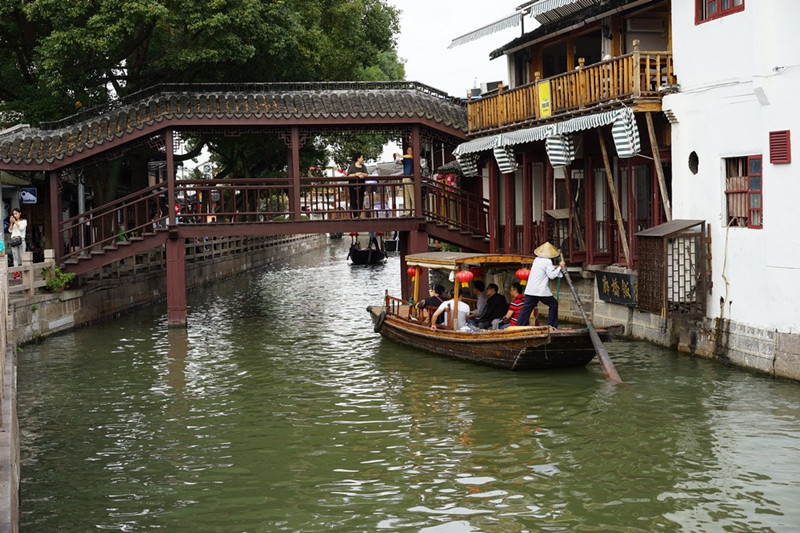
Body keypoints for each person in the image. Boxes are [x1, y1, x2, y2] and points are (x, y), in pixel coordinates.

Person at [516, 241, 566, 329]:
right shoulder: (547, 261)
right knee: (553, 304)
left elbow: (546, 269)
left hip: (531, 289)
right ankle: (552, 326)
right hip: (540, 290)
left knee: (526, 309)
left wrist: (557, 267)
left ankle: (519, 326)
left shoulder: (537, 260)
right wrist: (560, 267)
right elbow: (552, 275)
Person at [347, 153, 369, 218]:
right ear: (358, 158)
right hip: (353, 186)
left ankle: (358, 215)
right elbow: (349, 175)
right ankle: (355, 215)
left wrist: (361, 174)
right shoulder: (352, 166)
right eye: (362, 157)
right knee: (353, 201)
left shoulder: (363, 166)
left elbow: (366, 174)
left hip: (361, 186)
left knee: (360, 201)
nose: (363, 159)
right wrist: (356, 174)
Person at [398, 146, 414, 214]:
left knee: (412, 196)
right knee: (406, 196)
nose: (408, 151)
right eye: (407, 150)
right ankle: (407, 212)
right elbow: (399, 163)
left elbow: (410, 156)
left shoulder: (413, 157)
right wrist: (396, 159)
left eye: (410, 150)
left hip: (410, 178)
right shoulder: (406, 158)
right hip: (405, 177)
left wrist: (401, 155)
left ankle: (414, 211)